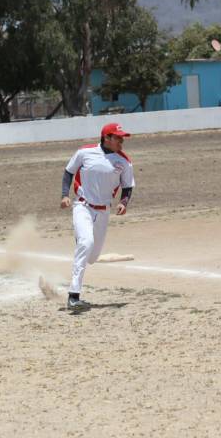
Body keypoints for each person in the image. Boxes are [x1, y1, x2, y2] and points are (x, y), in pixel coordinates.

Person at [60, 122, 135, 311]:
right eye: (117, 138)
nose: (121, 142)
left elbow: (127, 186)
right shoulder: (85, 152)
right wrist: (65, 195)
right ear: (106, 138)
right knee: (86, 243)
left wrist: (123, 202)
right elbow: (69, 172)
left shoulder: (124, 161)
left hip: (103, 212)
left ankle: (82, 243)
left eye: (122, 138)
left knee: (92, 257)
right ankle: (74, 296)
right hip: (83, 206)